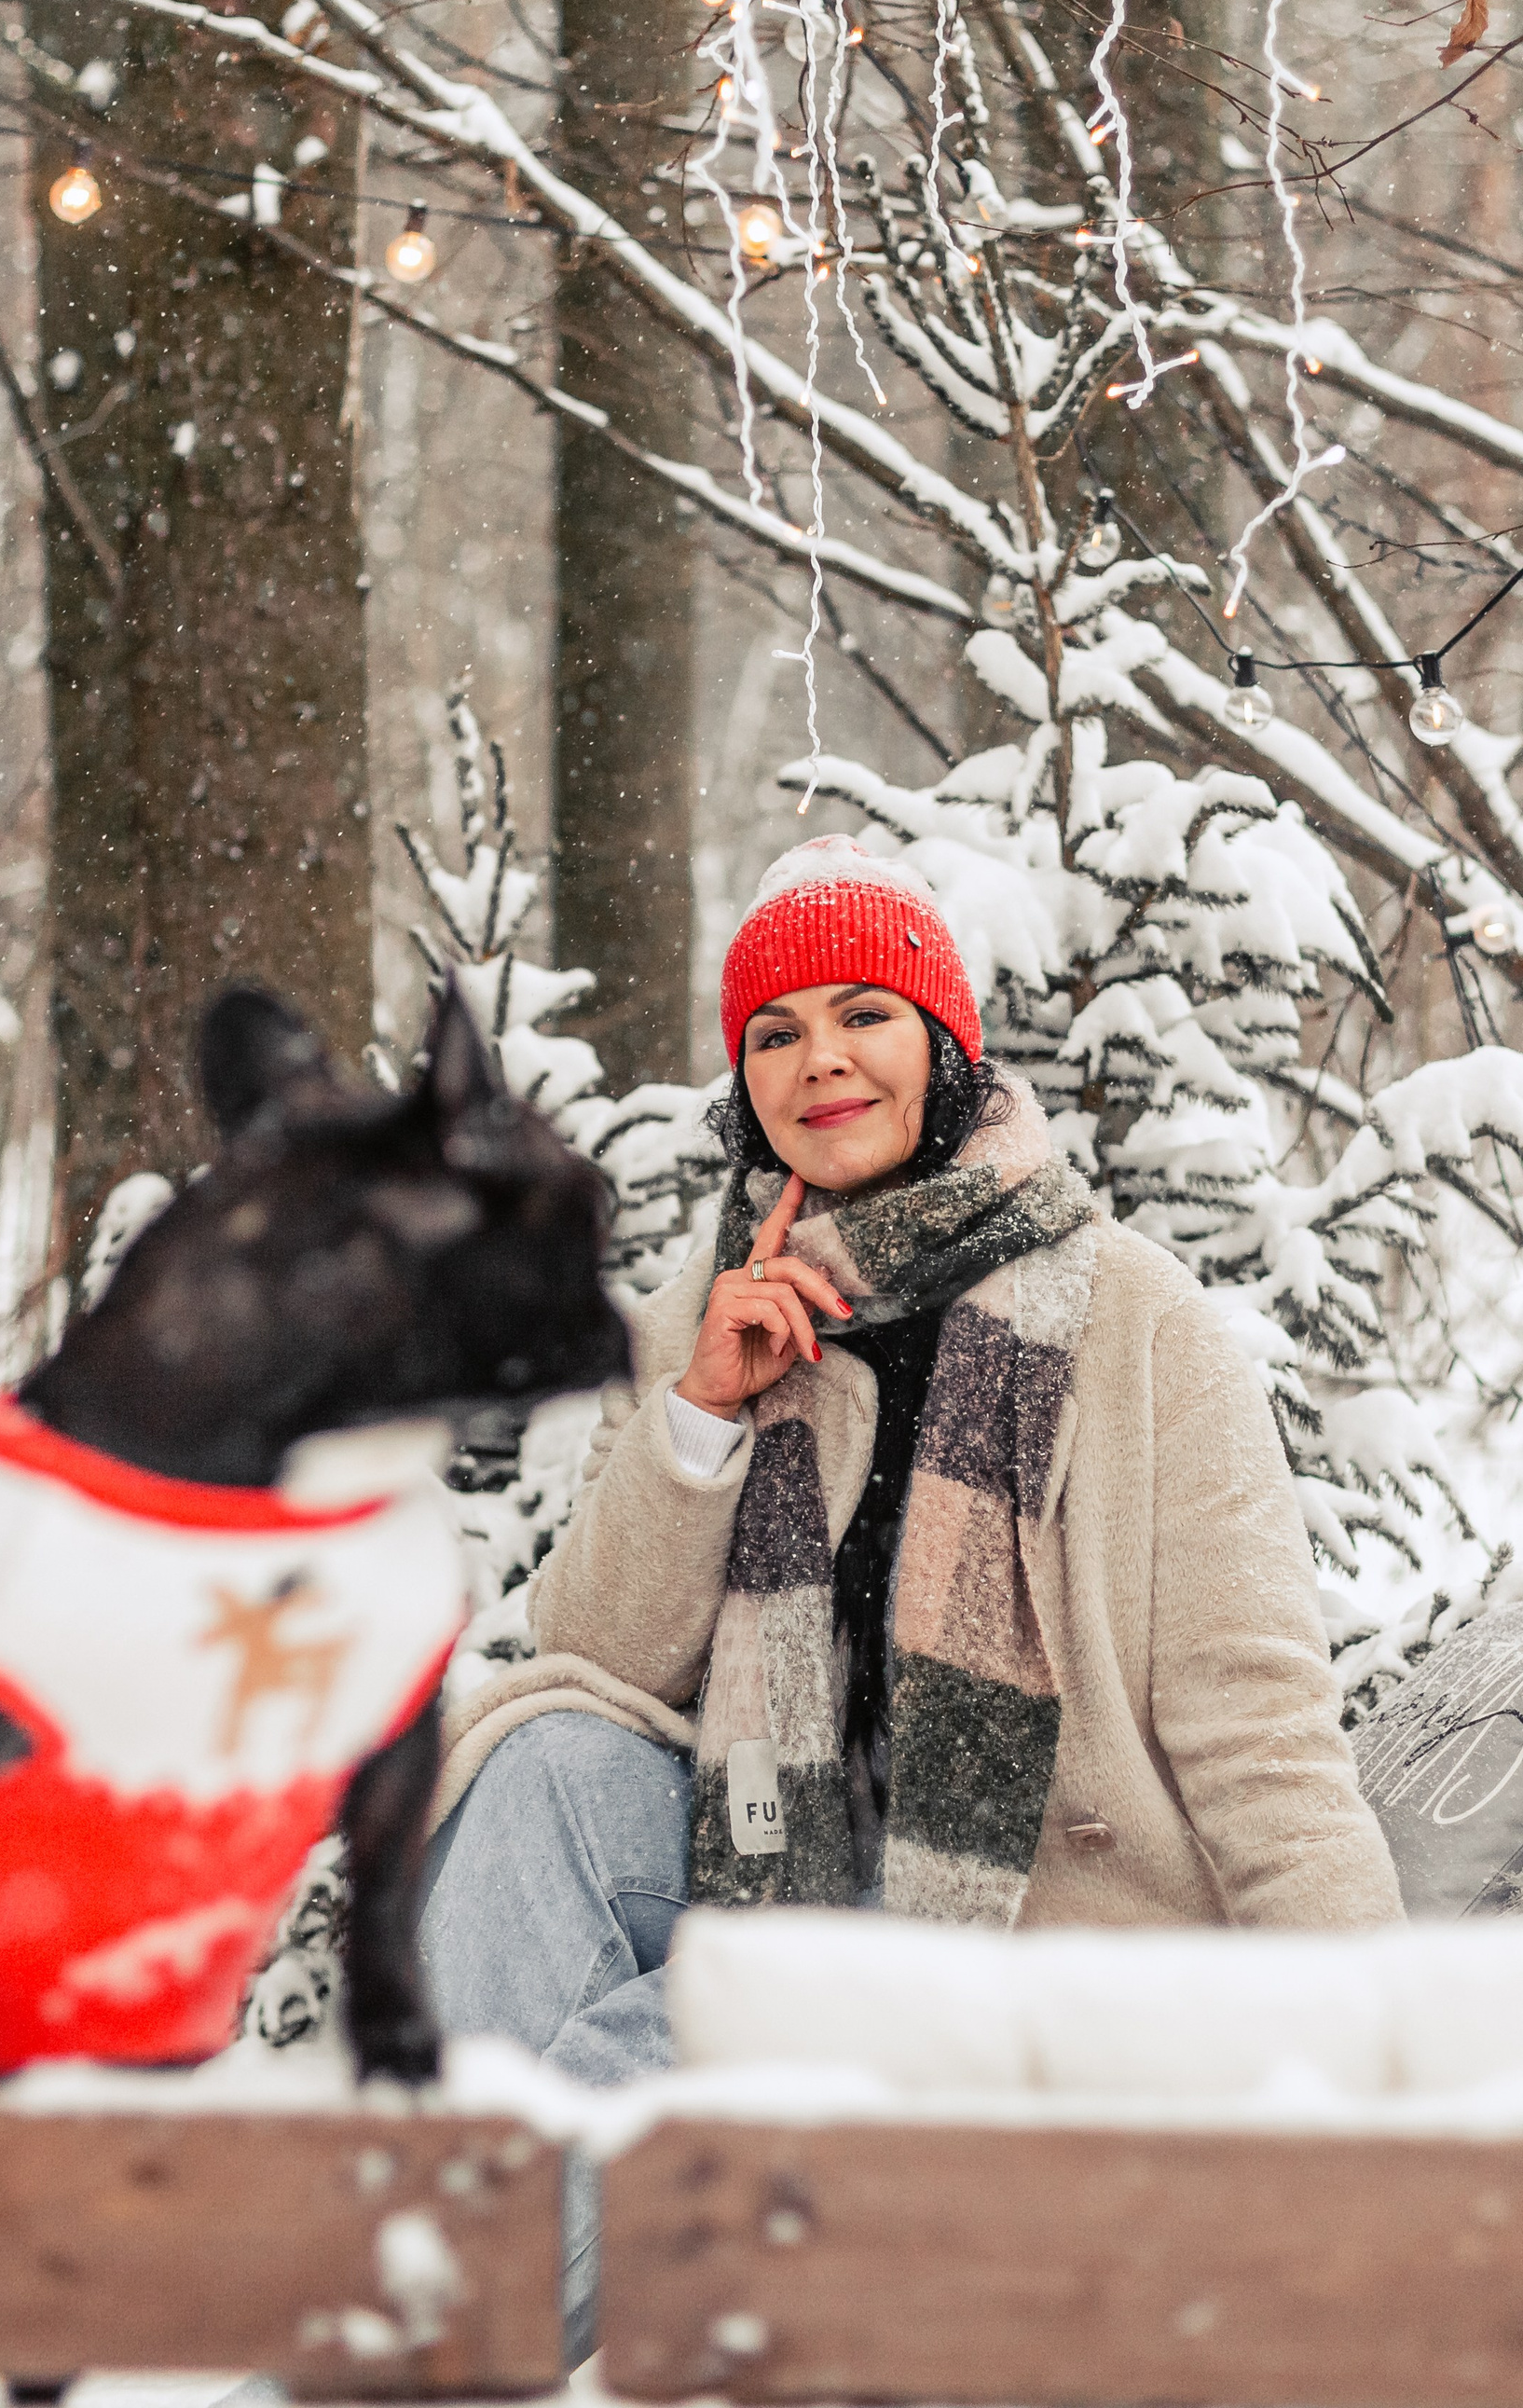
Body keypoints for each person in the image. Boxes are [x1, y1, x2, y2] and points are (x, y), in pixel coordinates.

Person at [420, 832, 1402, 2092]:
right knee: (543, 1764)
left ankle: (487, 2187)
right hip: (777, 1874)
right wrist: (703, 1412)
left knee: (643, 2061)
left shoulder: (1137, 1323)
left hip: (1030, 1937)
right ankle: (503, 2162)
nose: (819, 1058)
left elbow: (1263, 1740)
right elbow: (598, 1659)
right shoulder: (703, 1319)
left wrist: (1385, 2070)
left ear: (942, 1044)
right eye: (775, 1033)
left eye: (864, 1014)